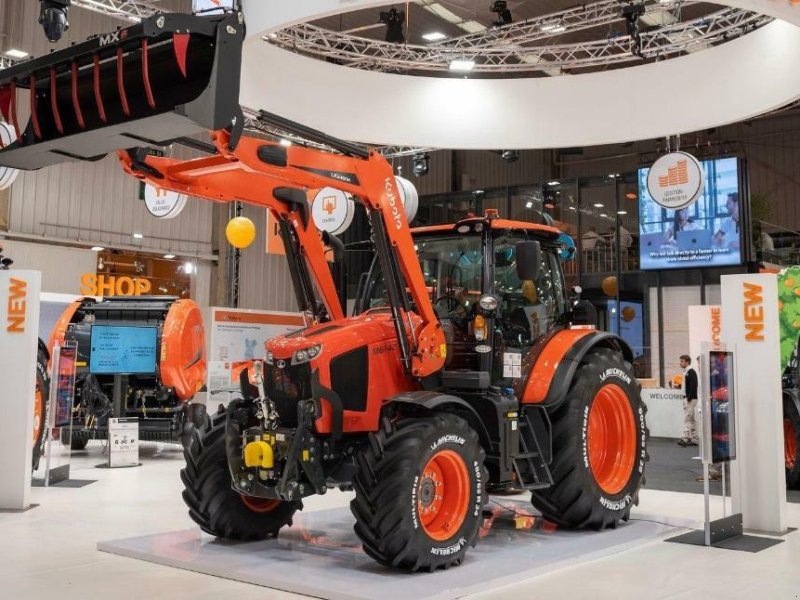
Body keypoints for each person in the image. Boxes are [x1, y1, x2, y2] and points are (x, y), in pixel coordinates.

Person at [677, 354, 699, 447]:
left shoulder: (691, 371)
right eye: (680, 361)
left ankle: (685, 438)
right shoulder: (686, 372)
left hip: (690, 398)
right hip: (688, 398)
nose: (680, 363)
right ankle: (694, 438)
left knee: (687, 418)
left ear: (687, 362)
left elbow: (694, 385)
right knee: (691, 418)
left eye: (682, 361)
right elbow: (687, 385)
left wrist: (689, 398)